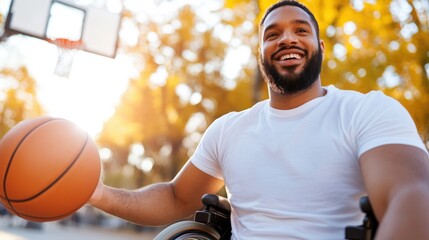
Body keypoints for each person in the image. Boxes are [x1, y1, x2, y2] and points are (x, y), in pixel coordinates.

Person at [89, 1, 429, 239]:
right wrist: (100, 194)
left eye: (300, 30)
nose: (287, 38)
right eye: (272, 34)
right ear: (260, 54)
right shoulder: (228, 129)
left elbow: (411, 191)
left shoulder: (366, 111)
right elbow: (177, 198)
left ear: (321, 47)